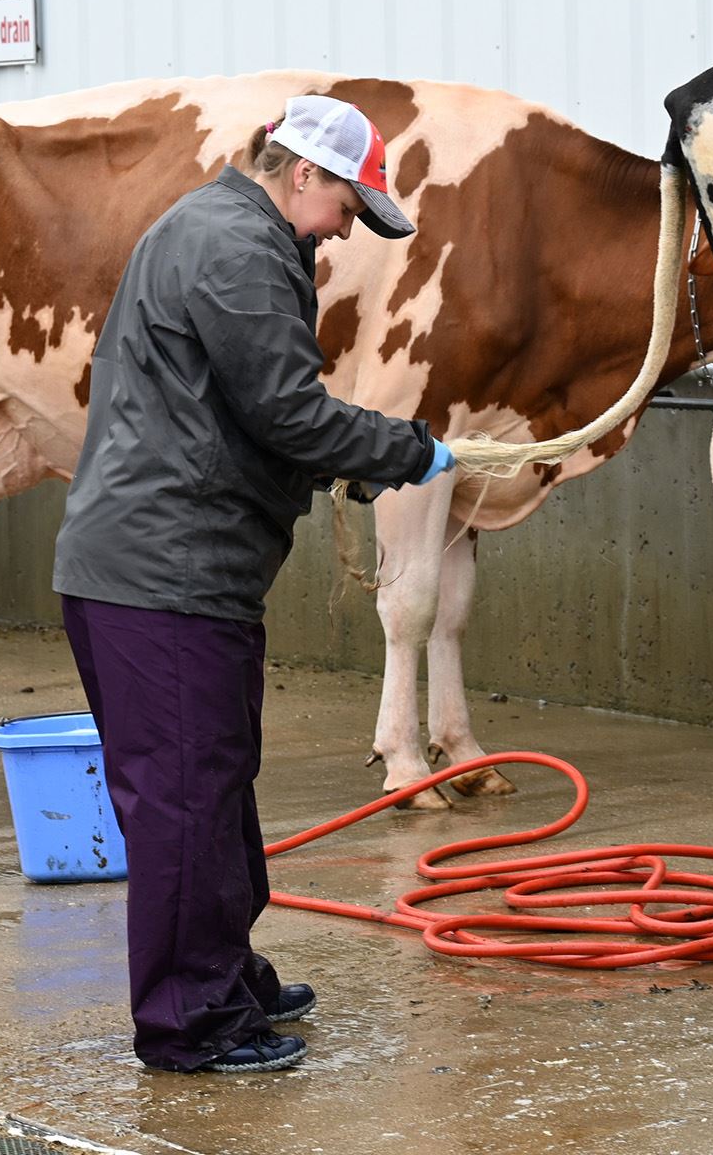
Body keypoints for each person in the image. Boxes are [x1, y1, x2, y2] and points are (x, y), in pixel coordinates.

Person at [51, 96, 457, 1074]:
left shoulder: (208, 227)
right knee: (186, 804)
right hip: (165, 578)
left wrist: (336, 458)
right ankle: (190, 1024)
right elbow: (287, 412)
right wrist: (406, 449)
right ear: (301, 175)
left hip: (165, 570)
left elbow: (227, 410)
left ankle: (226, 980)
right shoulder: (237, 249)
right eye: (346, 206)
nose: (346, 230)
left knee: (215, 790)